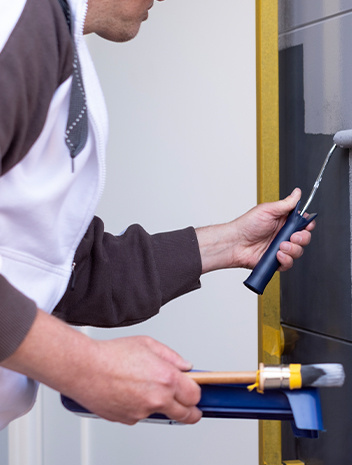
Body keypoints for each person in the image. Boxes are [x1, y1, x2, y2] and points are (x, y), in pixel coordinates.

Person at [0, 0, 314, 429]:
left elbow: (67, 269)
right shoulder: (15, 26)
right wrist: (85, 365)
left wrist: (229, 243)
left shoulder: (55, 37)